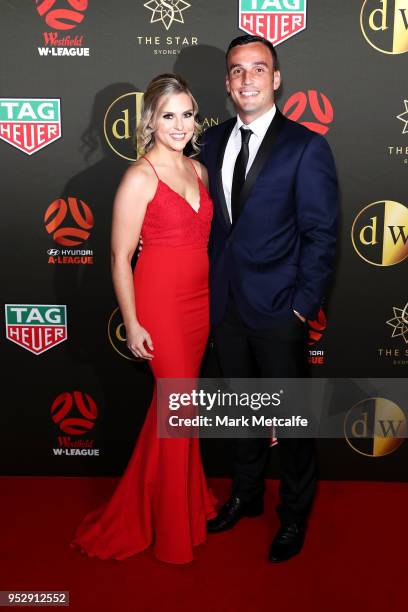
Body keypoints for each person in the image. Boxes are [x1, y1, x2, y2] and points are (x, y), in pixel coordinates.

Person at [200, 35, 338, 563]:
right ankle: (248, 495)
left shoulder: (306, 146)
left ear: (276, 79)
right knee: (242, 413)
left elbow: (322, 234)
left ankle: (295, 514)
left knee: (293, 422)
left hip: (281, 307)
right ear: (229, 82)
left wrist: (302, 304)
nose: (247, 79)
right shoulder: (210, 142)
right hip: (226, 306)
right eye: (237, 70)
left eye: (259, 68)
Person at [70, 74, 216, 564]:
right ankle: (174, 534)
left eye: (188, 114)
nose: (179, 124)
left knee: (177, 411)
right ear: (150, 120)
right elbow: (118, 258)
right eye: (169, 115)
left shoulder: (199, 170)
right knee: (179, 409)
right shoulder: (139, 176)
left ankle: (180, 505)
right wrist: (132, 323)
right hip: (160, 304)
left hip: (200, 304)